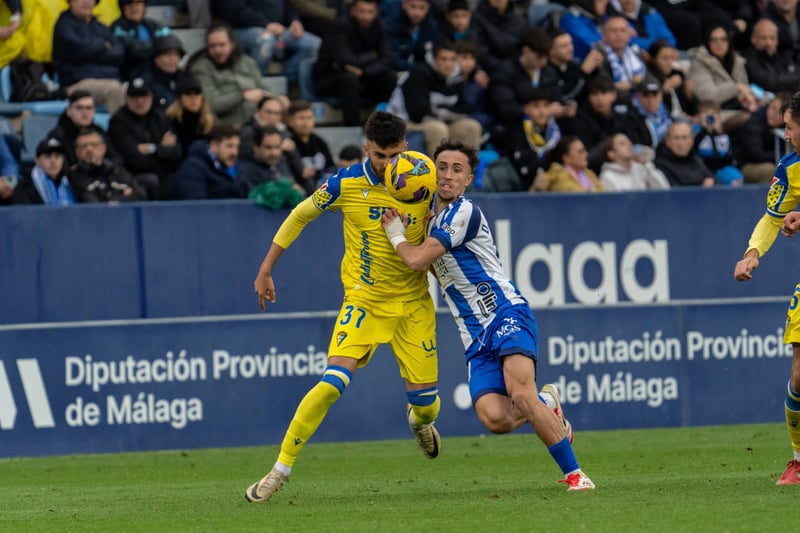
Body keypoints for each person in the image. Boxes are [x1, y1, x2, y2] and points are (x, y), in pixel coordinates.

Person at [245, 111, 442, 504]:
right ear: (366, 148)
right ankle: (279, 470)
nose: (387, 164)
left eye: (394, 155)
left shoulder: (424, 181)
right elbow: (300, 215)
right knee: (333, 382)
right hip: (364, 301)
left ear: (406, 147)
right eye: (379, 155)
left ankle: (418, 421)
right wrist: (266, 268)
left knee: (427, 407)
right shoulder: (345, 184)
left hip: (413, 304)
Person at [380, 139, 595, 491]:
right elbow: (434, 268)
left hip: (505, 313)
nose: (448, 175)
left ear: (468, 179)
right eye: (442, 167)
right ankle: (547, 403)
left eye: (457, 170)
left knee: (521, 394)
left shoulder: (463, 212)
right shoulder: (428, 218)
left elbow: (417, 261)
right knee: (495, 418)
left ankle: (576, 475)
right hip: (474, 334)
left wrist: (394, 234)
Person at [735, 91, 800, 486]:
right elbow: (773, 218)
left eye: (790, 127)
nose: (786, 135)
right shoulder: (790, 168)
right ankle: (798, 461)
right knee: (799, 374)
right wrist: (753, 253)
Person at [387, 39, 482, 156]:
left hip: (440, 120)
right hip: (405, 122)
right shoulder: (418, 74)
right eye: (444, 59)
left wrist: (440, 113)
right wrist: (446, 113)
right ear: (434, 59)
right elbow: (418, 113)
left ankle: (466, 167)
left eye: (452, 59)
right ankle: (436, 167)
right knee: (438, 129)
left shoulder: (458, 77)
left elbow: (464, 108)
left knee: (471, 127)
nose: (448, 64)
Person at [311, 0, 397, 127]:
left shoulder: (379, 26)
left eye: (370, 12)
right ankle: (352, 127)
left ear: (376, 12)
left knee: (389, 76)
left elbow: (387, 59)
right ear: (352, 11)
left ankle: (385, 125)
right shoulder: (339, 26)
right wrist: (372, 56)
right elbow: (346, 60)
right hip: (329, 78)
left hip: (363, 76)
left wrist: (364, 72)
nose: (366, 16)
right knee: (349, 78)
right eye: (362, 11)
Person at [188, 22, 282, 126]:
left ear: (232, 44)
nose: (217, 50)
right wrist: (242, 96)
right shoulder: (201, 68)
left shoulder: (247, 62)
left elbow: (265, 91)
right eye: (212, 46)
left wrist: (276, 99)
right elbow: (211, 104)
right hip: (226, 127)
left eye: (222, 45)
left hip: (257, 124)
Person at [211, 0, 321, 83]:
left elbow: (287, 6)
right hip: (241, 29)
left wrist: (294, 21)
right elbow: (234, 11)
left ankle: (284, 82)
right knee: (266, 40)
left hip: (278, 29)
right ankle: (255, 85)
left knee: (314, 45)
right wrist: (265, 24)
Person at [108, 77, 182, 200]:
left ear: (151, 97)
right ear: (127, 98)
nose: (140, 101)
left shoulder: (159, 117)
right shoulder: (118, 121)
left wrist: (151, 148)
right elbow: (133, 159)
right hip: (133, 176)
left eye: (144, 96)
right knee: (151, 181)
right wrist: (161, 148)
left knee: (180, 179)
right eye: (135, 97)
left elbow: (176, 152)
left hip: (163, 173)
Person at [52, 0, 126, 114]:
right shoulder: (63, 26)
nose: (86, 2)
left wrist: (93, 51)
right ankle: (121, 125)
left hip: (107, 78)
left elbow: (119, 53)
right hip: (76, 83)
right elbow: (79, 50)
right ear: (70, 2)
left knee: (134, 89)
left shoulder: (101, 27)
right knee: (113, 89)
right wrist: (103, 46)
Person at [688, 25, 758, 126]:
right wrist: (736, 87)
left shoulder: (737, 61)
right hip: (713, 115)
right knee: (750, 120)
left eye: (723, 39)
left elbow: (745, 90)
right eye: (714, 40)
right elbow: (708, 96)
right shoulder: (699, 62)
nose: (719, 43)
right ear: (707, 43)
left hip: (740, 108)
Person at [172, 124, 253, 200]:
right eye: (229, 146)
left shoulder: (239, 168)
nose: (234, 152)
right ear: (214, 145)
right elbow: (196, 205)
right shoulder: (193, 169)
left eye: (237, 147)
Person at [68, 129, 147, 203]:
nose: (89, 149)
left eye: (94, 144)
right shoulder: (76, 177)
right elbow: (94, 206)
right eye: (84, 146)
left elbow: (141, 195)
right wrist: (123, 198)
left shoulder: (116, 170)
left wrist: (111, 201)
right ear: (77, 152)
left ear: (103, 148)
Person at [48, 90, 120, 168]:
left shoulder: (99, 131)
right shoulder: (58, 135)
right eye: (79, 108)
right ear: (69, 111)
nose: (85, 113)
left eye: (89, 108)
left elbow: (116, 159)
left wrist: (102, 164)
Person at [732, 91, 790, 183]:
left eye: (779, 113)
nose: (773, 114)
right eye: (773, 108)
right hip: (744, 165)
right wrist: (785, 155)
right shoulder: (754, 123)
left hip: (770, 160)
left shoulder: (788, 127)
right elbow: (756, 155)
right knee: (769, 170)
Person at [111, 0, 172, 80]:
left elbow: (169, 43)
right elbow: (134, 50)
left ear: (144, 6)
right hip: (131, 74)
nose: (134, 8)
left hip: (157, 72)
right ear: (122, 7)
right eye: (130, 4)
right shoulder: (118, 27)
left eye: (138, 3)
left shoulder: (153, 24)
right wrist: (157, 47)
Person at [285, 98, 336, 194]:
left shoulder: (320, 142)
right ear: (290, 121)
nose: (305, 122)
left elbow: (331, 169)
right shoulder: (287, 144)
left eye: (309, 118)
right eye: (301, 118)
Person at [692, 99, 744, 185]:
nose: (709, 116)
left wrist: (716, 132)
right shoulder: (695, 131)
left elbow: (728, 156)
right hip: (703, 169)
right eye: (705, 113)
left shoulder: (723, 135)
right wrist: (705, 130)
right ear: (698, 117)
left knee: (735, 177)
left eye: (713, 113)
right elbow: (693, 148)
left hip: (721, 169)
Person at [11, 137, 75, 205]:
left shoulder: (71, 183)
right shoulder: (24, 187)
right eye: (47, 156)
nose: (53, 160)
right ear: (37, 161)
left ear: (63, 160)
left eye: (57, 156)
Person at [743, 18, 800, 96]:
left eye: (772, 38)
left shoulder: (783, 55)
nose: (768, 43)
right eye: (763, 38)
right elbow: (770, 83)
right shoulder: (747, 58)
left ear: (777, 40)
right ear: (753, 39)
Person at [471, 0, 529, 76]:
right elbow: (480, 51)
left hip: (516, 72)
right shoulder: (476, 19)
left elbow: (522, 50)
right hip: (487, 73)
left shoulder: (520, 22)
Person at [381, 0, 441, 72]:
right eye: (413, 6)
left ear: (428, 8)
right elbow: (392, 58)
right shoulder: (391, 23)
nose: (417, 13)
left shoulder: (431, 25)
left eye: (422, 8)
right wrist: (420, 69)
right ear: (404, 5)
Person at [240, 124, 304, 191]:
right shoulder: (245, 172)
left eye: (277, 147)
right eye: (268, 148)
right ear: (256, 148)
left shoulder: (281, 164)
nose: (274, 153)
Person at [598, 132, 669, 190]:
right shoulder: (607, 176)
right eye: (622, 143)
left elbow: (663, 188)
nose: (629, 144)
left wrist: (646, 164)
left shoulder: (641, 168)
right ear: (611, 154)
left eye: (629, 142)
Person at [165, 75, 217, 154]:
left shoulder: (209, 121)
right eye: (188, 94)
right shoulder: (170, 119)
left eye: (197, 94)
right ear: (180, 98)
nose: (193, 98)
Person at [654, 121, 715, 187]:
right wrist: (703, 188)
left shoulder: (696, 160)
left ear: (691, 141)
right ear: (667, 142)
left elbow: (714, 180)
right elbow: (675, 191)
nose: (680, 143)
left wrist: (711, 182)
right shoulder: (659, 165)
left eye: (684, 137)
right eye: (676, 138)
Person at [533, 135, 603, 192]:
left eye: (584, 150)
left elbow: (603, 194)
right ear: (566, 158)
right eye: (580, 151)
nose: (586, 154)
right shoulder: (557, 176)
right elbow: (575, 198)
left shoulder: (589, 174)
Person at [646, 39, 696, 119]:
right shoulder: (648, 80)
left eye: (671, 58)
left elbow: (688, 109)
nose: (669, 62)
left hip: (684, 118)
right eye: (664, 58)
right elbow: (651, 107)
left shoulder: (676, 75)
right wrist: (664, 89)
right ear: (653, 60)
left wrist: (690, 96)